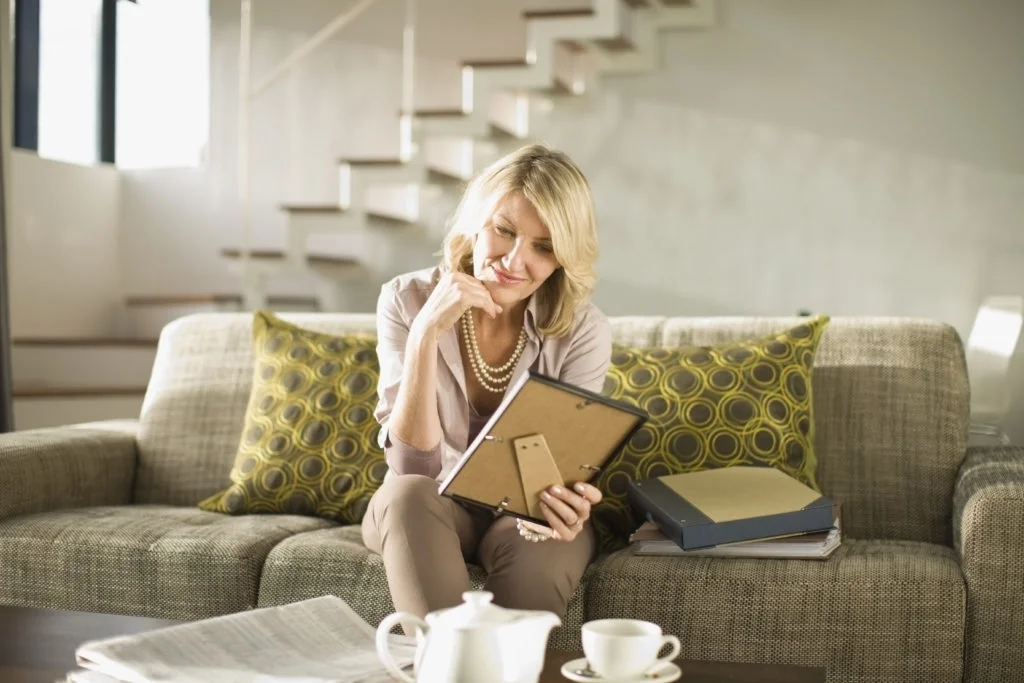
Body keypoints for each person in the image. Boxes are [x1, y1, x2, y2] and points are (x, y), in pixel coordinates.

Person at [361, 143, 612, 629]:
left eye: (543, 247)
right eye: (504, 230)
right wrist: (424, 335)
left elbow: (562, 467)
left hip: (525, 515)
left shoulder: (582, 329)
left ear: (563, 259)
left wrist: (569, 500)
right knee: (408, 494)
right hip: (426, 507)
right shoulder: (405, 299)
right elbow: (413, 466)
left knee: (551, 542)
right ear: (476, 221)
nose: (514, 262)